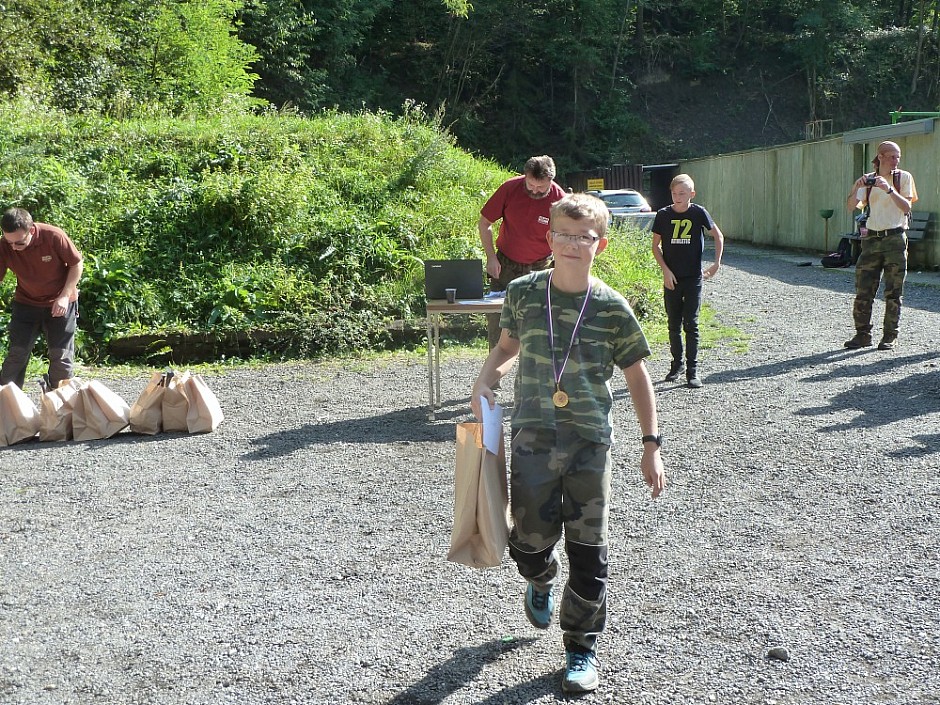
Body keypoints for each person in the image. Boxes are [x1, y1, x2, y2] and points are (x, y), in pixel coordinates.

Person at [471, 193, 666, 694]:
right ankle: (540, 576)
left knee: (590, 551)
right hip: (533, 435)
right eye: (564, 234)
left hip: (588, 442)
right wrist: (484, 382)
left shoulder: (611, 307)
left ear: (599, 243)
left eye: (585, 237)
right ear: (548, 237)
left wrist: (651, 444)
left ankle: (581, 646)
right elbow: (507, 348)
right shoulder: (522, 293)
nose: (574, 244)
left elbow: (637, 376)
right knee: (528, 544)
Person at [479, 155, 566, 348]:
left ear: (551, 181)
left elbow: (565, 238)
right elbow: (485, 223)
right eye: (530, 185)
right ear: (525, 176)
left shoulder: (560, 200)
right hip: (505, 265)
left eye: (540, 187)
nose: (534, 191)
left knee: (541, 327)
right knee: (497, 326)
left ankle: (537, 372)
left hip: (540, 267)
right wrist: (491, 258)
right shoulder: (510, 188)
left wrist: (561, 270)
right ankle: (493, 376)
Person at [651, 174, 724, 388]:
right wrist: (665, 271)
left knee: (691, 324)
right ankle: (677, 365)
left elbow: (718, 236)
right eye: (674, 193)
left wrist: (716, 263)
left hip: (693, 277)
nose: (677, 197)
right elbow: (655, 246)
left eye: (682, 193)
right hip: (671, 277)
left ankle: (692, 371)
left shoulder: (698, 212)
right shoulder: (663, 215)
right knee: (673, 323)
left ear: (692, 194)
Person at [843, 140, 917, 350]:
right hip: (872, 239)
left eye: (898, 157)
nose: (896, 161)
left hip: (895, 238)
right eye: (892, 156)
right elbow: (851, 207)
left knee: (894, 290)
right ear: (881, 157)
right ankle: (862, 334)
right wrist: (856, 187)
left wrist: (889, 190)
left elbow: (906, 207)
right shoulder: (869, 180)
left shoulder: (903, 177)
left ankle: (889, 336)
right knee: (863, 289)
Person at [0, 207, 83, 391]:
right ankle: (6, 405)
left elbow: (76, 264)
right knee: (16, 354)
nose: (14, 248)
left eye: (19, 243)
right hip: (26, 303)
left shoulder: (53, 236)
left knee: (61, 357)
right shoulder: (5, 245)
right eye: (9, 242)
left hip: (60, 302)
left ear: (31, 231)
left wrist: (64, 296)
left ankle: (59, 407)